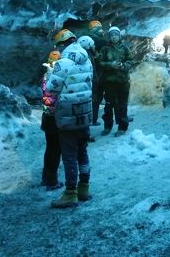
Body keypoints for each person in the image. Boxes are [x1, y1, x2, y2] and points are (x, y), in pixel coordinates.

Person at [46, 29, 93, 208]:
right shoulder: (87, 60)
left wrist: (50, 73)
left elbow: (52, 89)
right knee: (83, 152)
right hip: (85, 113)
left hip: (67, 115)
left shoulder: (62, 63)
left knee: (69, 155)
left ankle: (70, 193)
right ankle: (84, 188)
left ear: (62, 44)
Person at [98, 26, 133, 137]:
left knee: (122, 105)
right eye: (112, 35)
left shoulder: (125, 48)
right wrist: (110, 65)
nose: (114, 37)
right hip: (109, 82)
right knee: (108, 105)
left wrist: (123, 66)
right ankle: (108, 126)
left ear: (119, 36)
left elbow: (131, 61)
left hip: (123, 82)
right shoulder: (105, 49)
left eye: (116, 35)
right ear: (109, 36)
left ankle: (122, 127)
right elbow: (99, 62)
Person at [40, 50, 63, 191]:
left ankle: (46, 177)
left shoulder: (45, 76)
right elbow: (52, 98)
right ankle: (51, 180)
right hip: (54, 118)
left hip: (47, 117)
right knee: (55, 149)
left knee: (50, 148)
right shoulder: (53, 77)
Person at [88, 20, 107, 126]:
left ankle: (93, 119)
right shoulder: (95, 39)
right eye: (99, 29)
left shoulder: (89, 40)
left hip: (96, 72)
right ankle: (93, 119)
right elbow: (105, 42)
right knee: (97, 96)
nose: (101, 31)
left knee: (96, 96)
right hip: (97, 73)